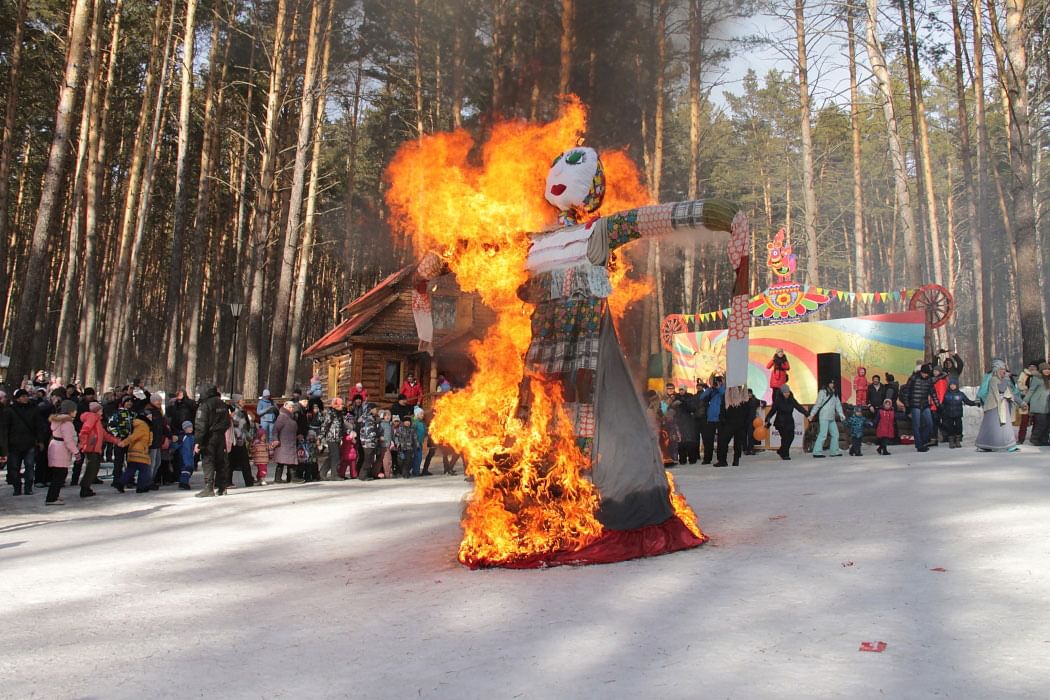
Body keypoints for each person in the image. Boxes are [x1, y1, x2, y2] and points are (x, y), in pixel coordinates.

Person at [6, 388, 47, 495]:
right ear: (17, 398)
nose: (25, 398)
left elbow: (38, 426)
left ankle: (28, 487)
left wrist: (40, 440)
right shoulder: (10, 410)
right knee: (14, 467)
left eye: (26, 396)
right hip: (14, 443)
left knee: (29, 466)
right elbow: (5, 428)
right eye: (22, 396)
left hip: (30, 443)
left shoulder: (33, 409)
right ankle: (17, 487)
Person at [193, 384, 231, 497]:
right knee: (220, 461)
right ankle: (222, 487)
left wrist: (198, 441)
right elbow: (227, 422)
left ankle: (209, 488)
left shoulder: (204, 405)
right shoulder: (222, 404)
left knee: (208, 461)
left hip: (209, 437)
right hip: (220, 436)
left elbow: (201, 425)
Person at [77, 401, 121, 498]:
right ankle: (84, 487)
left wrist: (116, 441)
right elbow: (85, 430)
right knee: (91, 468)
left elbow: (104, 435)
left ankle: (86, 487)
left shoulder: (97, 420)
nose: (102, 411)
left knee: (94, 468)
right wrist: (83, 443)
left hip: (95, 448)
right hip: (91, 447)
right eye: (100, 409)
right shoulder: (92, 417)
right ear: (96, 410)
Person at [975, 360, 1020, 452]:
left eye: (1004, 369)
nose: (1004, 371)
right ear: (997, 370)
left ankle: (1010, 444)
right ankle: (985, 445)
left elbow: (1010, 392)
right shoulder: (993, 379)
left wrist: (1019, 402)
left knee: (1005, 426)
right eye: (1002, 369)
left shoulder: (1002, 379)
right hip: (994, 406)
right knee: (991, 427)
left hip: (1002, 405)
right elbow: (1000, 390)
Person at [44, 400, 80, 505]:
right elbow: (69, 440)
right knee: (60, 474)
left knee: (57, 473)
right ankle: (51, 498)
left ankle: (54, 495)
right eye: (75, 410)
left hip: (55, 447)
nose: (76, 412)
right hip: (61, 450)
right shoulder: (67, 423)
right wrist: (76, 452)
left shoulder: (57, 421)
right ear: (70, 411)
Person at [765, 384, 807, 460]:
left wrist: (807, 414)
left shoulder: (791, 399)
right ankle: (785, 454)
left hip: (789, 421)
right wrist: (767, 419)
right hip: (780, 422)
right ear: (782, 393)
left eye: (788, 392)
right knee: (785, 438)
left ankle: (781, 450)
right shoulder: (778, 400)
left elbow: (798, 407)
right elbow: (772, 411)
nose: (787, 394)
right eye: (785, 392)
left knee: (791, 437)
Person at [904, 364, 940, 452]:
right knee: (916, 425)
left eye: (927, 374)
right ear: (921, 372)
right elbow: (906, 392)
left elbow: (933, 393)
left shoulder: (929, 380)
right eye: (924, 373)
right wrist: (907, 406)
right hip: (914, 405)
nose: (925, 375)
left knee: (929, 424)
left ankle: (923, 441)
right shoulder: (913, 378)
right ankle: (919, 445)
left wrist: (938, 405)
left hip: (925, 404)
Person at [116, 410, 153, 494]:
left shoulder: (140, 425)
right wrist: (124, 442)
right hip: (140, 451)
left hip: (133, 451)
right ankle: (141, 487)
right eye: (149, 417)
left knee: (131, 469)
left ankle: (120, 483)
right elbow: (134, 436)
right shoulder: (143, 426)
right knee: (144, 470)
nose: (151, 419)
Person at [809, 380, 845, 458]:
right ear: (827, 383)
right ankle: (817, 452)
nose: (832, 384)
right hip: (824, 416)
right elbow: (817, 404)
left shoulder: (835, 393)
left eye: (833, 383)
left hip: (831, 417)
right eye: (830, 383)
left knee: (835, 434)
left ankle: (834, 451)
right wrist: (812, 414)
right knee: (823, 434)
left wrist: (841, 414)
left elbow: (838, 405)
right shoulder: (822, 392)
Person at [715, 386, 750, 467]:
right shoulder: (740, 400)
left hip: (732, 423)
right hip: (733, 423)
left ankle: (728, 460)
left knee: (728, 442)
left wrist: (722, 420)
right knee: (732, 442)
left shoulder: (734, 400)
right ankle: (732, 460)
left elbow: (723, 410)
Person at [941, 377, 978, 448]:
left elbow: (968, 401)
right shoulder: (946, 394)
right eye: (951, 385)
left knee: (959, 427)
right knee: (950, 428)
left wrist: (975, 403)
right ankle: (951, 441)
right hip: (949, 414)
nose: (952, 386)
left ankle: (958, 441)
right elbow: (942, 403)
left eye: (954, 384)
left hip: (958, 414)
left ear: (956, 385)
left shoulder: (961, 394)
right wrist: (943, 410)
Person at [107, 395, 135, 486]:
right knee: (119, 460)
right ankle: (117, 479)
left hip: (131, 440)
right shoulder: (117, 413)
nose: (129, 403)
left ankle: (129, 479)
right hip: (120, 440)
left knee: (131, 461)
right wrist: (117, 436)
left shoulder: (133, 414)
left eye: (131, 402)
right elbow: (111, 426)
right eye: (127, 401)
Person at [227, 398, 255, 488]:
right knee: (243, 462)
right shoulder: (237, 412)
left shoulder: (241, 411)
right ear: (237, 402)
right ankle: (248, 481)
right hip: (237, 439)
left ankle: (247, 480)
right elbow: (240, 426)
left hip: (237, 439)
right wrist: (248, 437)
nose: (244, 402)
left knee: (234, 462)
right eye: (242, 400)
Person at [1021, 362, 1050, 446]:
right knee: (1041, 423)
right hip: (1038, 404)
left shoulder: (1048, 379)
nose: (1047, 371)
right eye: (1045, 369)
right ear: (1041, 370)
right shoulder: (1037, 378)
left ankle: (1044, 439)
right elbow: (1031, 391)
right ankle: (1034, 438)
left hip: (1047, 405)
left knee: (1047, 424)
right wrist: (1025, 401)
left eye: (1048, 369)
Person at [698, 377, 725, 464]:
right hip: (710, 418)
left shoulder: (723, 388)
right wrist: (710, 388)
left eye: (717, 382)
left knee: (721, 440)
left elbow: (723, 393)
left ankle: (720, 459)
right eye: (715, 382)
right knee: (708, 440)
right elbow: (702, 397)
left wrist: (719, 387)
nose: (716, 383)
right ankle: (707, 458)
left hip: (720, 418)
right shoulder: (711, 390)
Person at [317, 397, 345, 481]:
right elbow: (325, 426)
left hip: (337, 438)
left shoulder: (339, 413)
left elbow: (341, 425)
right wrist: (320, 437)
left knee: (332, 456)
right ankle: (334, 475)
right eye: (341, 404)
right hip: (331, 438)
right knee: (335, 456)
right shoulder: (331, 413)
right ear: (336, 405)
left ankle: (322, 473)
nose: (342, 406)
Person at [670, 386, 699, 465]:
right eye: (680, 389)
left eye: (682, 389)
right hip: (678, 421)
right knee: (681, 441)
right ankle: (682, 459)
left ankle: (692, 459)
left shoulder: (690, 397)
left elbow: (693, 408)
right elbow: (671, 408)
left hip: (688, 421)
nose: (681, 391)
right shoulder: (676, 397)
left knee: (689, 441)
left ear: (685, 390)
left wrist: (683, 402)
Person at [271, 402, 299, 483]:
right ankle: (281, 478)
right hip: (283, 443)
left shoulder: (290, 417)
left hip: (289, 442)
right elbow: (275, 429)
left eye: (292, 407)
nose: (291, 409)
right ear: (285, 407)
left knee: (288, 461)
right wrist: (275, 439)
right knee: (284, 461)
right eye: (290, 407)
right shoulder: (282, 417)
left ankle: (288, 478)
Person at [1016, 361, 1042, 443]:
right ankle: (1021, 439)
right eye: (1030, 366)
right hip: (1025, 398)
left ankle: (1034, 438)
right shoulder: (1024, 374)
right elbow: (1019, 385)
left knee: (1036, 420)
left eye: (1033, 366)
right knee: (1024, 420)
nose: (1031, 368)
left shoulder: (1039, 376)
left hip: (1036, 400)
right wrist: (1026, 388)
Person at [357, 404, 380, 480]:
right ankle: (363, 476)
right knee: (368, 459)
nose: (377, 410)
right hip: (368, 442)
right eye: (375, 409)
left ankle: (368, 474)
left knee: (370, 459)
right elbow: (368, 431)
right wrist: (373, 438)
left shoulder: (371, 418)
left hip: (371, 441)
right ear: (371, 409)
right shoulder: (368, 418)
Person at [394, 413, 418, 478]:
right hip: (401, 447)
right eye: (406, 421)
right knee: (401, 461)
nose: (407, 423)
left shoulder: (412, 429)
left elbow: (415, 438)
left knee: (408, 460)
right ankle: (404, 471)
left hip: (409, 447)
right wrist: (397, 443)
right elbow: (396, 437)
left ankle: (406, 472)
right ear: (403, 422)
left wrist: (417, 444)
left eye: (409, 422)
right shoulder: (400, 429)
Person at [175, 421, 197, 490]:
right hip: (184, 457)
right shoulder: (182, 437)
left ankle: (184, 482)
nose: (191, 428)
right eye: (188, 427)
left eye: (191, 427)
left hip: (190, 456)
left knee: (190, 470)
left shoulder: (192, 437)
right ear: (184, 428)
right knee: (185, 470)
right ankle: (183, 483)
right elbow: (177, 445)